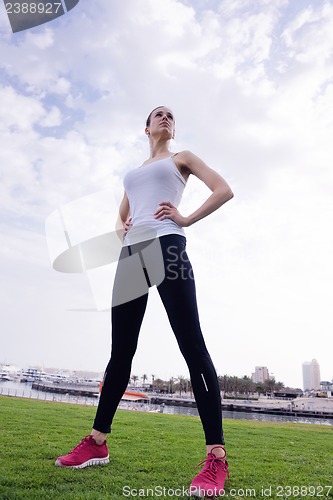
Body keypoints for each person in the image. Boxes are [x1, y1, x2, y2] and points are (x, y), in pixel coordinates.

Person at [55, 106, 234, 497]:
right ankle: (97, 442)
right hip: (133, 256)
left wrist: (185, 219)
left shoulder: (181, 158)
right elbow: (121, 218)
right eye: (158, 114)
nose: (166, 117)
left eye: (171, 115)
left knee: (192, 346)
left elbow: (223, 190)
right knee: (121, 352)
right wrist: (124, 232)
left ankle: (216, 457)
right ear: (147, 127)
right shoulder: (135, 172)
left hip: (168, 247)